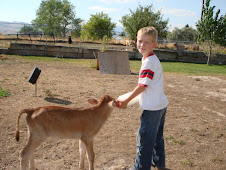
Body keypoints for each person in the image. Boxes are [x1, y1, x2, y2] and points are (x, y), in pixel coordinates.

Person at [117, 26, 169, 170]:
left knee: (144, 139)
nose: (142, 45)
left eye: (147, 42)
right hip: (160, 105)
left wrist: (126, 101)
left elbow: (142, 86)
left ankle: (140, 168)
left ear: (154, 44)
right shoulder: (149, 58)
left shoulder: (149, 62)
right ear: (135, 42)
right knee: (157, 138)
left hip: (152, 109)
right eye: (140, 41)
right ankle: (158, 162)